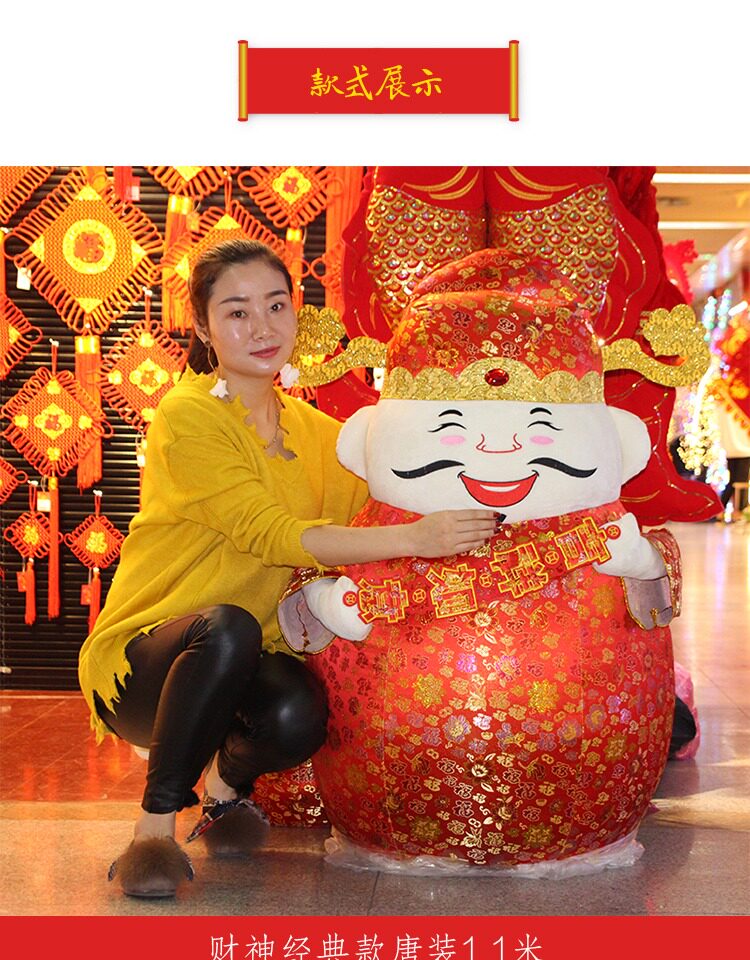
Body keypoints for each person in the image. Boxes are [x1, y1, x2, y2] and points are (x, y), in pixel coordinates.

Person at [77, 238, 497, 899]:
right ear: (203, 328)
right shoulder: (188, 415)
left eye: (276, 306)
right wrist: (419, 537)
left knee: (299, 712)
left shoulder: (318, 432)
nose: (262, 327)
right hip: (148, 665)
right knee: (228, 626)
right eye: (237, 312)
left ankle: (223, 792)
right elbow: (270, 535)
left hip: (244, 657)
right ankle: (153, 832)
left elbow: (383, 500)